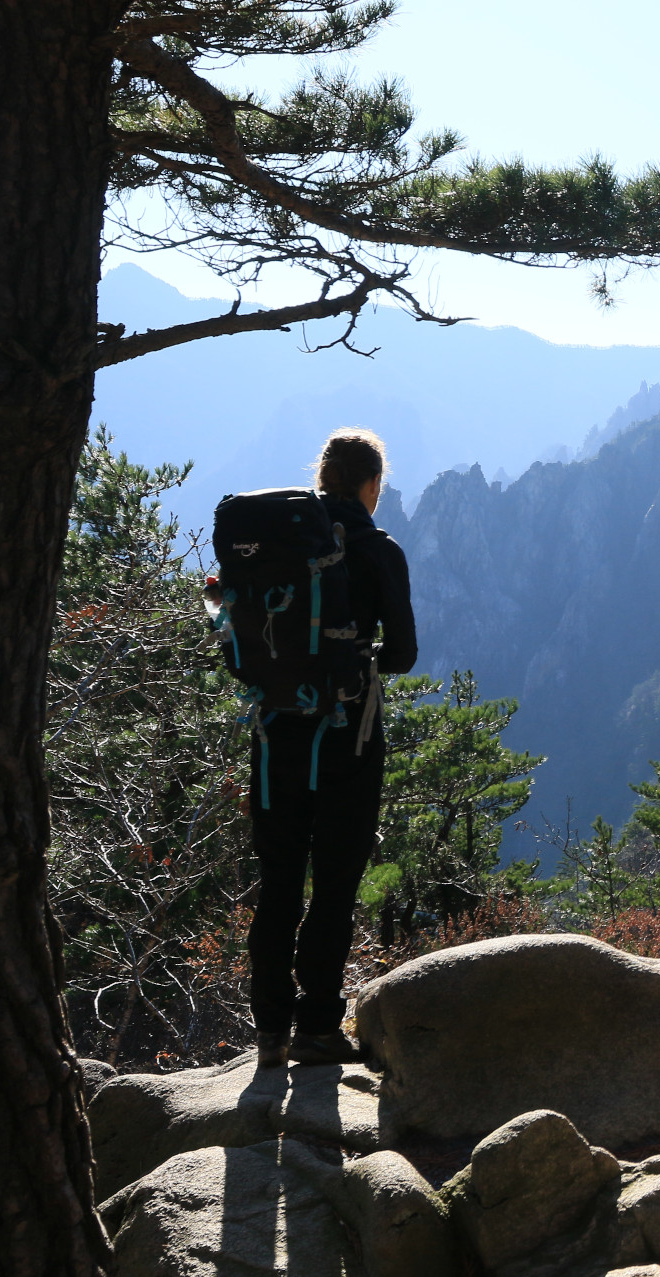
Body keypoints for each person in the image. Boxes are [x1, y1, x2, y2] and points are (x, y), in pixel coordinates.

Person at [249, 428, 416, 1067]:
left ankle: (269, 1032)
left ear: (322, 479)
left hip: (275, 736)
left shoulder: (275, 544)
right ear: (372, 484)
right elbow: (402, 655)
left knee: (279, 882)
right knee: (335, 884)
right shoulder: (378, 549)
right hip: (348, 737)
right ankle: (318, 1026)